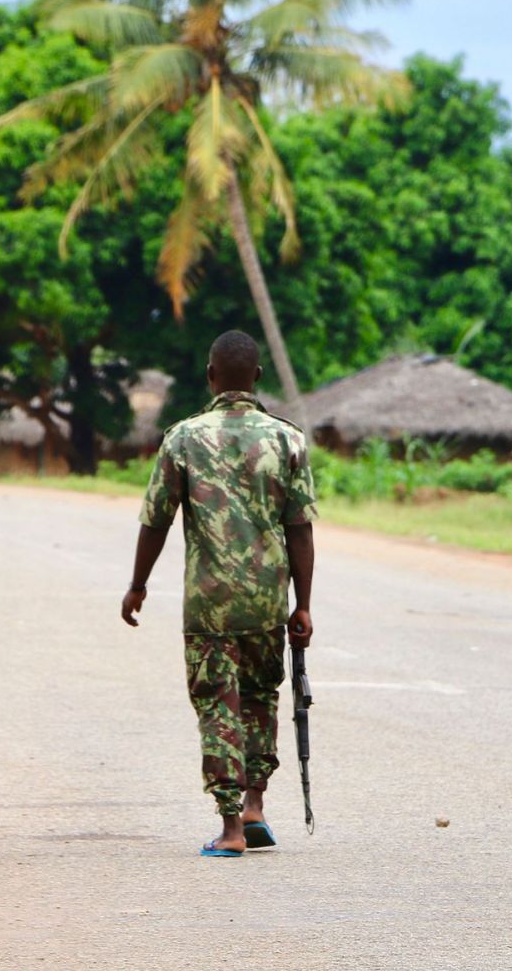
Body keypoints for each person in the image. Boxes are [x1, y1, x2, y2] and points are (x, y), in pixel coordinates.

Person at [120, 330, 316, 857]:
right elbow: (300, 528)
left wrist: (138, 585)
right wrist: (304, 604)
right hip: (266, 601)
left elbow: (155, 522)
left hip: (208, 604)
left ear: (210, 376)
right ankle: (254, 806)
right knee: (258, 699)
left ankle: (230, 829)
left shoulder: (183, 438)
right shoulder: (286, 439)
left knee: (217, 705)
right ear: (256, 377)